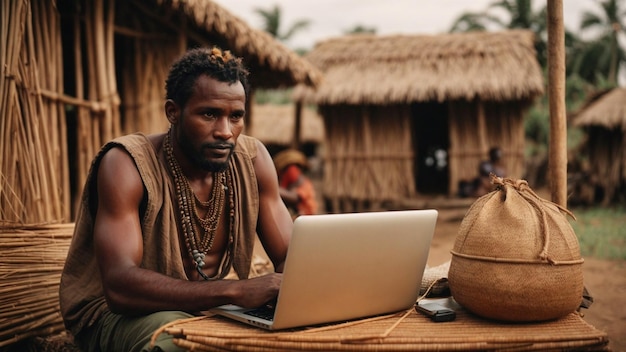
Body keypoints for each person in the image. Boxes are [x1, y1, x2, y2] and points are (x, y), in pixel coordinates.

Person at [59, 47, 294, 352]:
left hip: (204, 309)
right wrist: (234, 291)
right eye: (209, 114)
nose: (225, 132)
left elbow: (291, 256)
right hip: (117, 314)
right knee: (182, 342)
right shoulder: (126, 163)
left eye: (235, 116)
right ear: (173, 112)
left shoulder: (252, 160)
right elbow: (119, 286)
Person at [273, 148, 318, 218]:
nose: (292, 171)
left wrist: (273, 189)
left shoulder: (305, 184)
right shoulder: (289, 185)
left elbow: (295, 198)